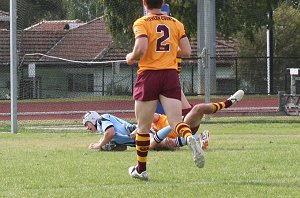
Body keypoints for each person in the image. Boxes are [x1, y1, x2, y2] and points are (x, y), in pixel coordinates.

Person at [126, 0, 203, 180]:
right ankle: (189, 138)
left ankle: (141, 169)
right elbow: (186, 51)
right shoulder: (176, 23)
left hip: (149, 76)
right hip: (170, 75)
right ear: (162, 3)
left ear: (145, 3)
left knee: (143, 128)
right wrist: (166, 53)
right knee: (176, 121)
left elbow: (141, 49)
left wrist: (131, 57)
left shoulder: (142, 22)